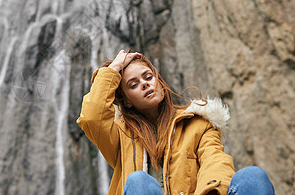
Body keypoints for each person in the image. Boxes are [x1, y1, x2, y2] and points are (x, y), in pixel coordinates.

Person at [76, 50, 275, 195]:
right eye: (133, 84)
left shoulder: (198, 124)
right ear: (126, 100)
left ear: (160, 82)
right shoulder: (120, 137)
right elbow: (92, 117)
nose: (145, 84)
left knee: (253, 177)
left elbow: (215, 161)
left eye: (148, 77)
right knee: (138, 181)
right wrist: (114, 69)